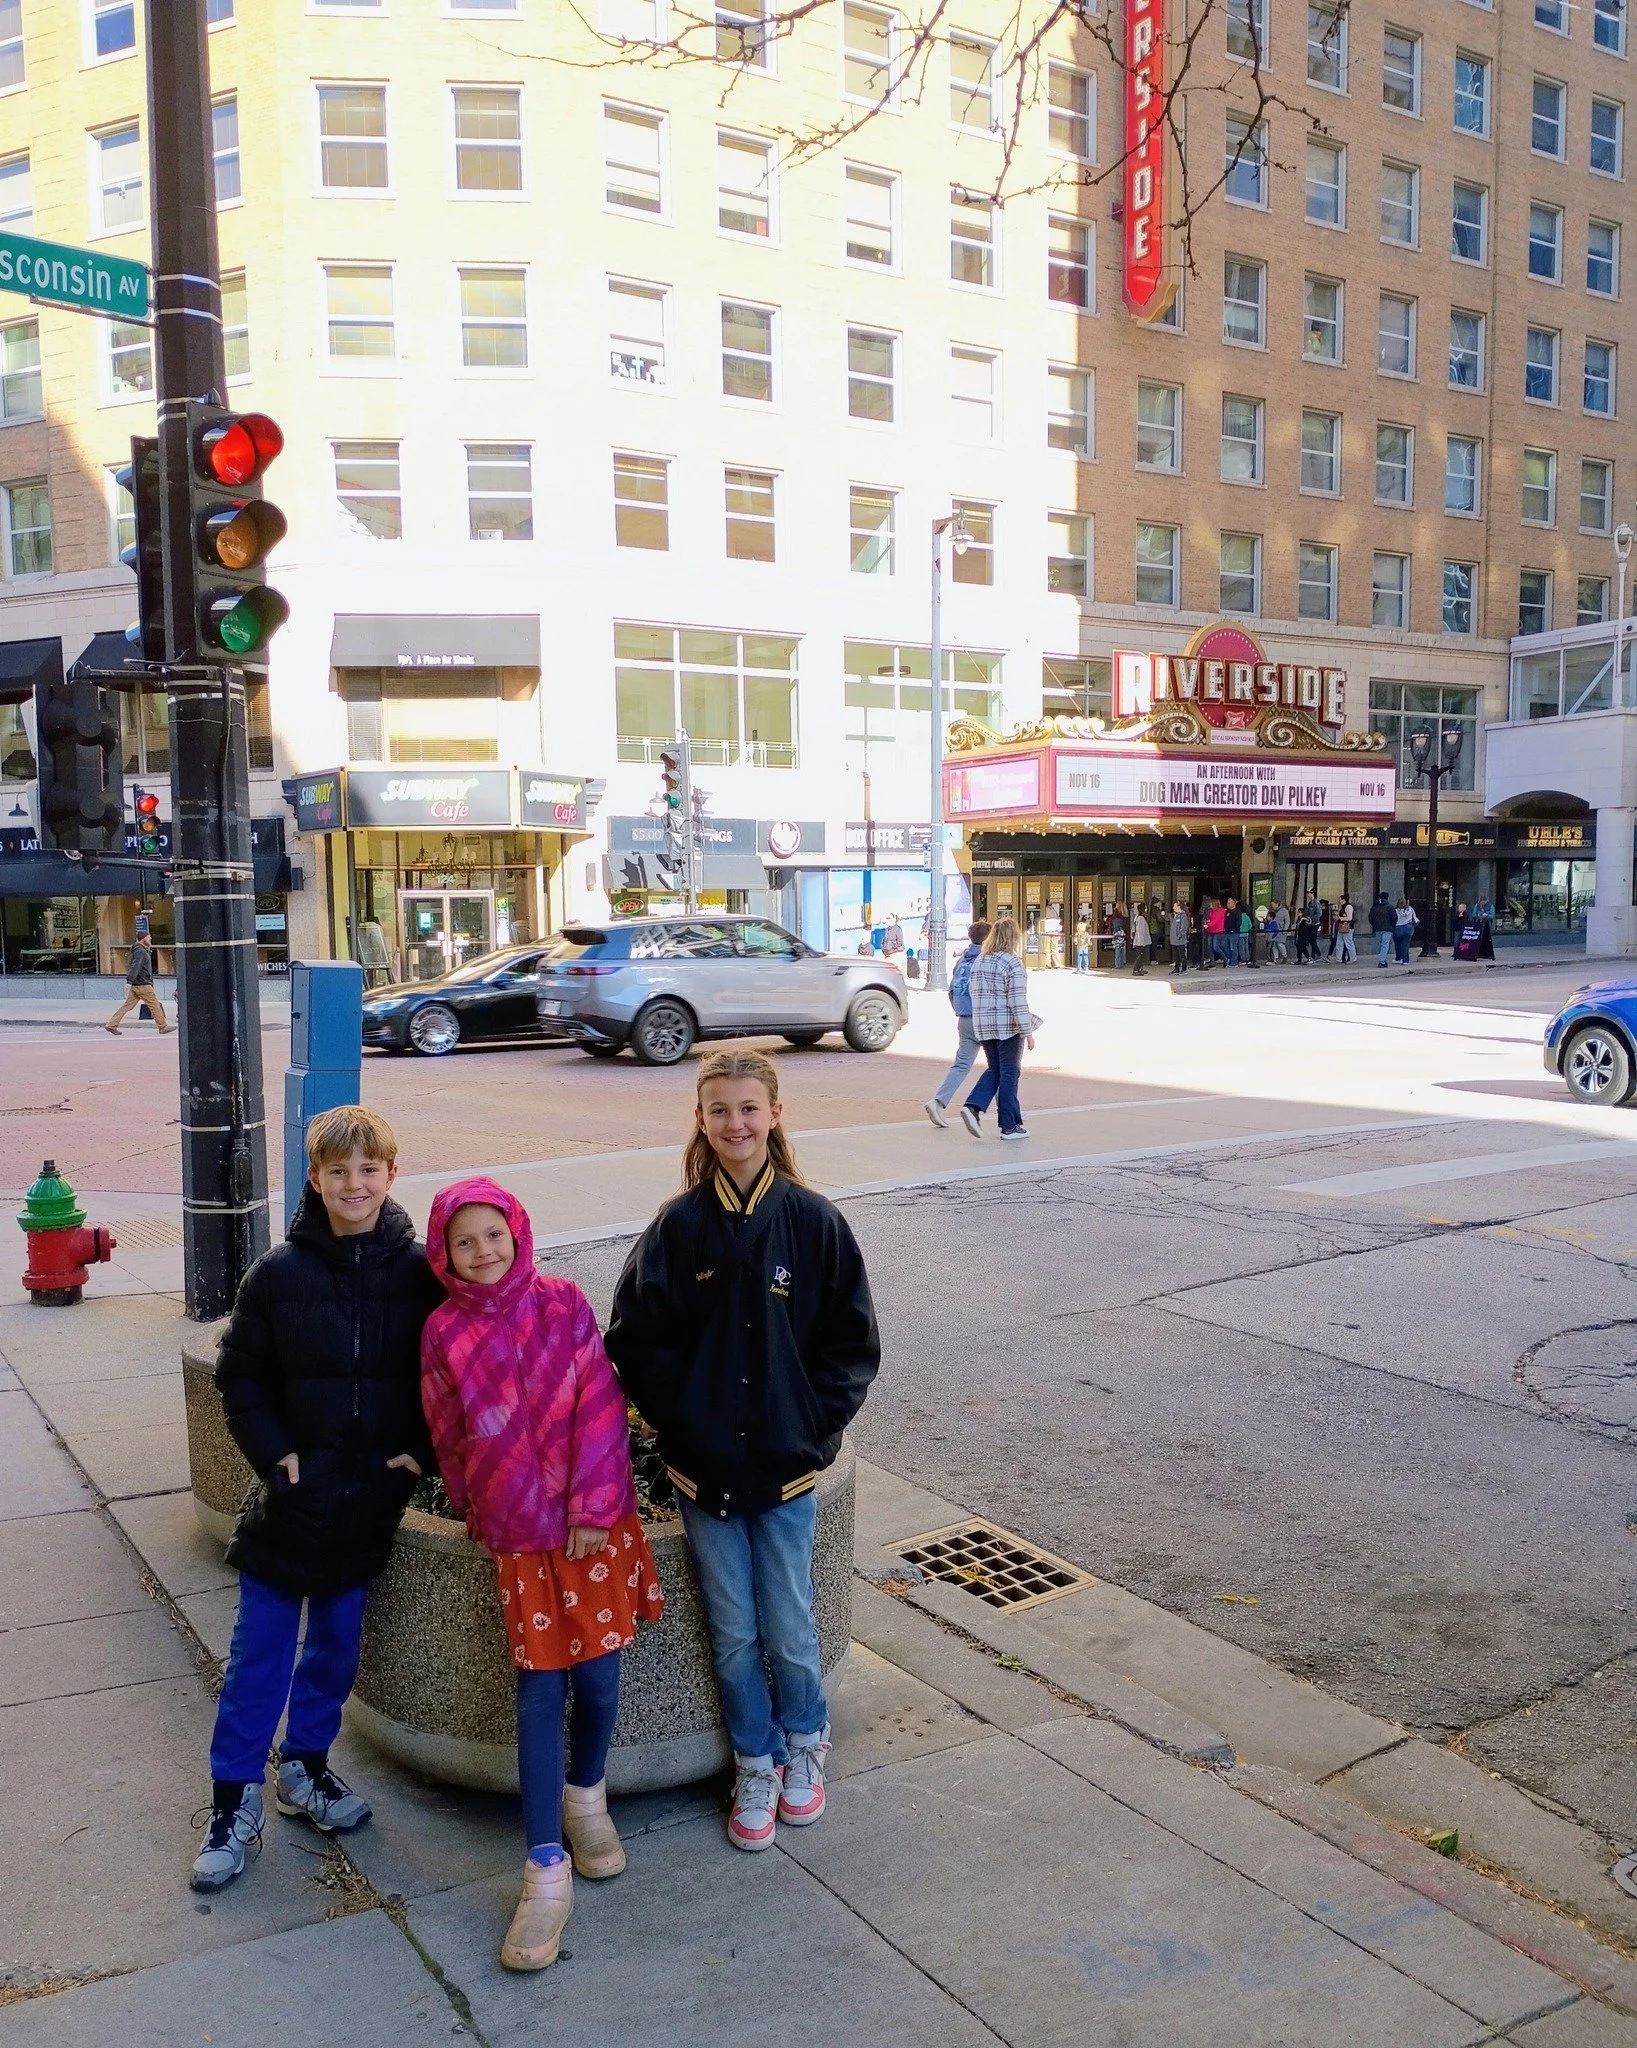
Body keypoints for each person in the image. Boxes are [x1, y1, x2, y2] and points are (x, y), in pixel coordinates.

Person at [607, 1052, 879, 1855]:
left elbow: (850, 1344)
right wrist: (679, 1425)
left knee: (790, 1623)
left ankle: (805, 1743)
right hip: (704, 1472)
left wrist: (815, 1429)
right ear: (700, 1119)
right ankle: (753, 1760)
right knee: (731, 1628)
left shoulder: (814, 1222)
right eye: (719, 1110)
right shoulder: (678, 1226)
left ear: (775, 1113)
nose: (735, 1124)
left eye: (749, 1109)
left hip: (787, 1469)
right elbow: (635, 1339)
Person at [190, 1107, 440, 1894]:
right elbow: (241, 1376)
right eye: (338, 1171)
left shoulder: (421, 1272)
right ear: (315, 1178)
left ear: (391, 1175)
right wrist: (276, 1456)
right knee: (259, 1657)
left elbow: (451, 1372)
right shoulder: (279, 1274)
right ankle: (233, 1802)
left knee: (334, 1651)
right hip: (291, 1505)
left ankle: (305, 1768)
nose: (354, 1184)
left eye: (368, 1170)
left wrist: (421, 1455)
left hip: (369, 1502)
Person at [421, 1178, 663, 1972]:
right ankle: (542, 1865)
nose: (483, 1250)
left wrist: (596, 1503)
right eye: (465, 1241)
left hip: (589, 1531)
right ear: (444, 1254)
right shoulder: (443, 1331)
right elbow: (449, 1430)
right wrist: (472, 1504)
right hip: (519, 1543)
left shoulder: (561, 1303)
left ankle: (585, 1796)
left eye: (494, 1234)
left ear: (518, 1233)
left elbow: (600, 1399)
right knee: (537, 1690)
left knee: (596, 1679)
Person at [960, 917, 1038, 1141]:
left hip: (983, 1024)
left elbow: (973, 992)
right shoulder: (1013, 963)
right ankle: (1009, 1125)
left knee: (995, 1068)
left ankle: (973, 1105)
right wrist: (1028, 1032)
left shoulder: (980, 960)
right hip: (1007, 1026)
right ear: (1014, 938)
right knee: (1010, 1072)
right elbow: (1017, 1001)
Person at [925, 919, 990, 1128]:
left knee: (961, 1064)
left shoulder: (962, 960)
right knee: (1000, 1067)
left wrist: (959, 1009)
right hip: (984, 1017)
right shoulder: (986, 959)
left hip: (964, 1017)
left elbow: (952, 990)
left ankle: (939, 1101)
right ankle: (1006, 1113)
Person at [105, 916, 170, 1035]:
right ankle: (163, 1026)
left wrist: (130, 982)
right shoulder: (140, 951)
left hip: (136, 985)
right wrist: (129, 981)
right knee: (154, 1005)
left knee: (127, 1006)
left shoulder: (139, 950)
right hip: (143, 984)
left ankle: (111, 1025)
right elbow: (135, 966)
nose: (150, 939)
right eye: (148, 937)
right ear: (143, 939)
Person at [1369, 889, 1396, 968]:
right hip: (1387, 928)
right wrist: (1392, 926)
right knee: (1385, 945)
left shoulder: (1375, 907)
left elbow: (1370, 918)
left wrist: (1374, 924)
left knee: (1380, 945)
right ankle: (1382, 961)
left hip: (1377, 928)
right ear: (1387, 898)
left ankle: (1383, 959)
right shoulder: (1390, 907)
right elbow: (1394, 918)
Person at [1168, 900, 1191, 974]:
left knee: (1182, 955)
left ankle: (1184, 969)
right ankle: (1176, 968)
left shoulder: (1183, 915)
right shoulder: (1175, 915)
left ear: (1179, 906)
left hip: (1180, 939)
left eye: (1174, 906)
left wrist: (1179, 935)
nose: (1173, 907)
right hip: (1174, 939)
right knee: (1176, 955)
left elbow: (1184, 927)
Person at [1394, 895, 1418, 964]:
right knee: (1406, 945)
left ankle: (1399, 958)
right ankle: (1405, 960)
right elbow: (1416, 920)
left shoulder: (1395, 910)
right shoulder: (1410, 909)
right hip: (1408, 928)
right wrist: (1412, 927)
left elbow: (1393, 919)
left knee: (1398, 944)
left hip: (1398, 928)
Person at [1042, 898, 1064, 971]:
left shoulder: (1043, 911)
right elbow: (1058, 919)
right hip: (1055, 931)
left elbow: (1042, 920)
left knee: (1046, 948)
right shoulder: (1053, 910)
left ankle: (1048, 964)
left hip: (1047, 931)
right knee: (1054, 948)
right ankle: (1057, 964)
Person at [1203, 898, 1226, 968]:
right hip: (1211, 930)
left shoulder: (1221, 911)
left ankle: (1225, 958)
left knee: (1216, 946)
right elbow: (1211, 919)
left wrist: (1208, 925)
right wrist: (1207, 921)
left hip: (1218, 931)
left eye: (1211, 904)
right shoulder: (1211, 911)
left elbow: (1216, 920)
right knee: (1210, 947)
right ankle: (1212, 962)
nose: (1209, 906)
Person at [1129, 903, 1151, 975]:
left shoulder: (1137, 917)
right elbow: (1140, 931)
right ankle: (1135, 970)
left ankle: (1140, 968)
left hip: (1139, 940)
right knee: (1140, 955)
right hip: (1140, 941)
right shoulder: (1141, 919)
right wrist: (1142, 942)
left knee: (1141, 955)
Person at [1267, 901, 1290, 965]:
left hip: (1281, 930)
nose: (1272, 906)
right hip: (1273, 930)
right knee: (1274, 945)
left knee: (1280, 944)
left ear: (1277, 904)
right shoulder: (1272, 911)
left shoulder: (1284, 911)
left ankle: (1285, 956)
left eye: (1273, 904)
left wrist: (1285, 929)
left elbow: (1287, 921)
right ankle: (1275, 959)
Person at [1335, 895, 1357, 964]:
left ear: (1344, 900)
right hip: (1342, 926)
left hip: (1348, 927)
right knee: (1339, 943)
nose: (1339, 901)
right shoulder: (1343, 907)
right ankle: (1338, 959)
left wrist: (1340, 918)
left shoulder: (1348, 907)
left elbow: (1349, 918)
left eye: (1340, 899)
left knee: (1349, 943)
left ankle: (1353, 958)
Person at [1073, 907, 1093, 974]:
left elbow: (1076, 936)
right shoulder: (1086, 930)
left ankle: (1079, 967)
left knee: (1080, 955)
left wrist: (1075, 941)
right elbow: (1088, 937)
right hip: (1085, 944)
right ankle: (1085, 967)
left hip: (1080, 943)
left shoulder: (1078, 929)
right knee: (1085, 955)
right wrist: (1089, 942)